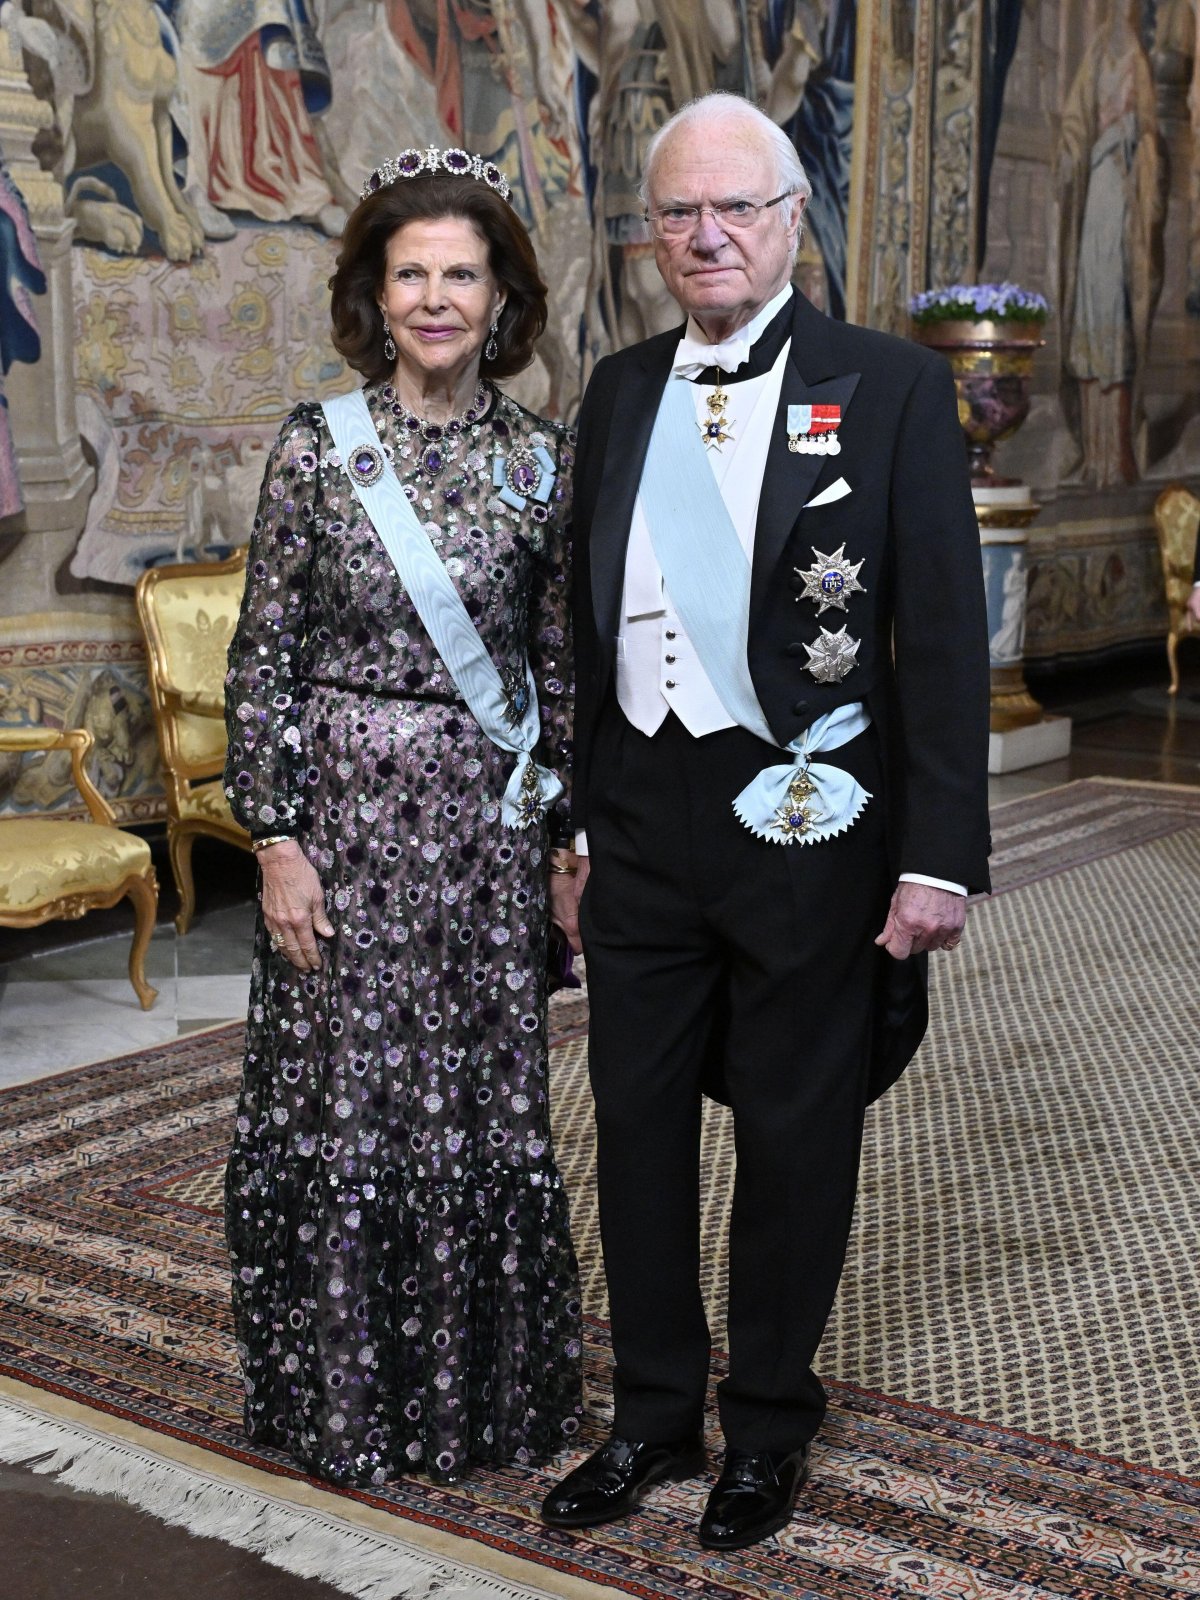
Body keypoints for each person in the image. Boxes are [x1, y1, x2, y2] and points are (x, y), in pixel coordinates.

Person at [542, 92, 990, 1550]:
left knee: (797, 1128)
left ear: (795, 218)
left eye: (737, 206)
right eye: (680, 211)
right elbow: (585, 628)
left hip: (809, 812)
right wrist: (576, 826)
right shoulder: (617, 390)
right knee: (635, 1123)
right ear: (652, 233)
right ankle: (652, 1416)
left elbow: (941, 633)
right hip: (639, 817)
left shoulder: (891, 386)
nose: (708, 234)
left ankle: (769, 1427)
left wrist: (936, 855)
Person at [222, 146, 583, 1488]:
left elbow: (558, 669)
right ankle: (345, 1399)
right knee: (347, 1102)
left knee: (480, 1104)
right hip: (346, 833)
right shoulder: (319, 450)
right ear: (376, 296)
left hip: (484, 840)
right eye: (412, 274)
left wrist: (564, 840)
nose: (437, 300)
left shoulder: (541, 462)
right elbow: (263, 659)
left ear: (502, 299)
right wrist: (277, 840)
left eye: (462, 276)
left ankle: (478, 1402)